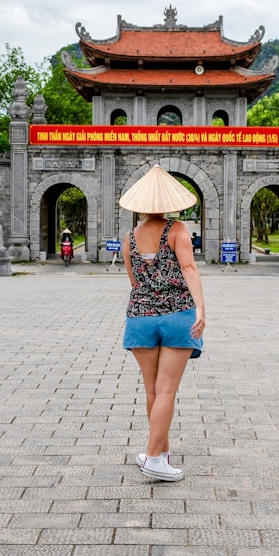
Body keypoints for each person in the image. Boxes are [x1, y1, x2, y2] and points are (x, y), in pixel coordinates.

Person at [118, 165, 205, 482]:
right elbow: (190, 269)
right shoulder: (178, 230)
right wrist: (200, 309)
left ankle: (161, 454)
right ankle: (153, 457)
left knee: (153, 391)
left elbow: (134, 281)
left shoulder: (128, 238)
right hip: (176, 316)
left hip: (140, 318)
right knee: (167, 390)